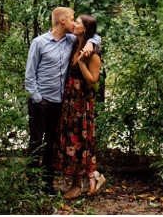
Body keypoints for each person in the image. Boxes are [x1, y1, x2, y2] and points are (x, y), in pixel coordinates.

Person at [25, 7, 101, 195]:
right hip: (41, 101)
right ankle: (31, 183)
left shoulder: (71, 41)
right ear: (62, 21)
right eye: (73, 19)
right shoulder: (39, 43)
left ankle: (47, 184)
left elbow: (94, 36)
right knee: (36, 142)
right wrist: (37, 99)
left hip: (60, 103)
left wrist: (92, 42)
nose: (75, 23)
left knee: (52, 144)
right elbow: (29, 75)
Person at [52, 14, 105, 198]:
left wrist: (82, 61)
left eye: (79, 23)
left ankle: (79, 182)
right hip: (70, 100)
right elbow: (95, 36)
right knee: (70, 140)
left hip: (81, 102)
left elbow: (92, 82)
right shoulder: (75, 43)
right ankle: (90, 177)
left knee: (80, 140)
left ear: (86, 28)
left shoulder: (93, 53)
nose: (74, 25)